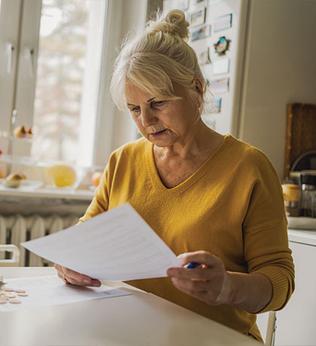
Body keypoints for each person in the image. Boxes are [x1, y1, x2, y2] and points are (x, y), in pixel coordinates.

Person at [55, 10, 294, 341]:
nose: (147, 121)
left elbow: (279, 281)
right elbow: (85, 238)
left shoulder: (249, 167)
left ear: (197, 88)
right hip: (129, 335)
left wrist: (227, 286)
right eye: (135, 109)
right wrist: (70, 262)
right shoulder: (123, 160)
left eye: (158, 103)